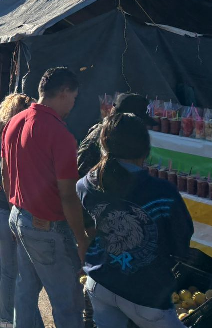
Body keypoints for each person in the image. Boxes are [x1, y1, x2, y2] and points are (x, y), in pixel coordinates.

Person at [77, 113, 193, 328]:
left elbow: (89, 229)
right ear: (145, 149)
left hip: (100, 282)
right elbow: (181, 241)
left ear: (104, 143)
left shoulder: (85, 185)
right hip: (146, 294)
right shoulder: (162, 193)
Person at [1, 67, 87, 328]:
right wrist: (82, 239)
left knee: (25, 291)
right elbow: (68, 195)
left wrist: (15, 208)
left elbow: (5, 174)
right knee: (68, 303)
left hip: (19, 215)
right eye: (74, 97)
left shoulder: (15, 121)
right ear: (63, 92)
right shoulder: (60, 134)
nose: (73, 104)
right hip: (45, 225)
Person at [0, 93, 39, 328]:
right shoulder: (13, 139)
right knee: (11, 270)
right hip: (7, 209)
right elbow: (10, 180)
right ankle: (6, 318)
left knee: (4, 265)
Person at [77, 93, 159, 178]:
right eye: (139, 123)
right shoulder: (100, 134)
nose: (142, 128)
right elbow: (81, 169)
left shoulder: (123, 137)